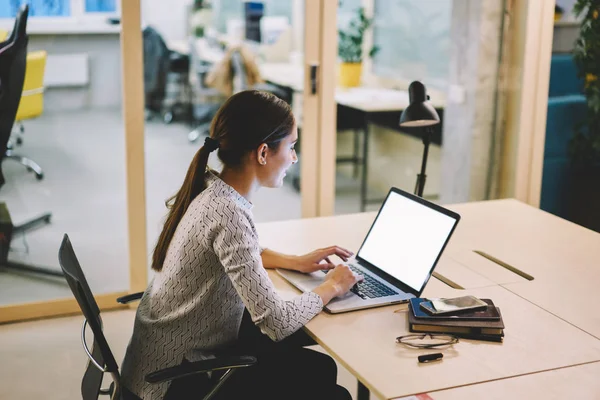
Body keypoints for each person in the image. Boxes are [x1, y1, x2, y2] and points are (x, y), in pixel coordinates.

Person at [121, 90, 363, 400]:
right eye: (291, 147)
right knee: (331, 391)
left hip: (165, 358)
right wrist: (332, 287)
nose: (294, 157)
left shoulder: (213, 188)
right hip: (174, 381)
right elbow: (276, 322)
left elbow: (238, 254)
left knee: (319, 368)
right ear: (263, 153)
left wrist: (296, 261)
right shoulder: (229, 212)